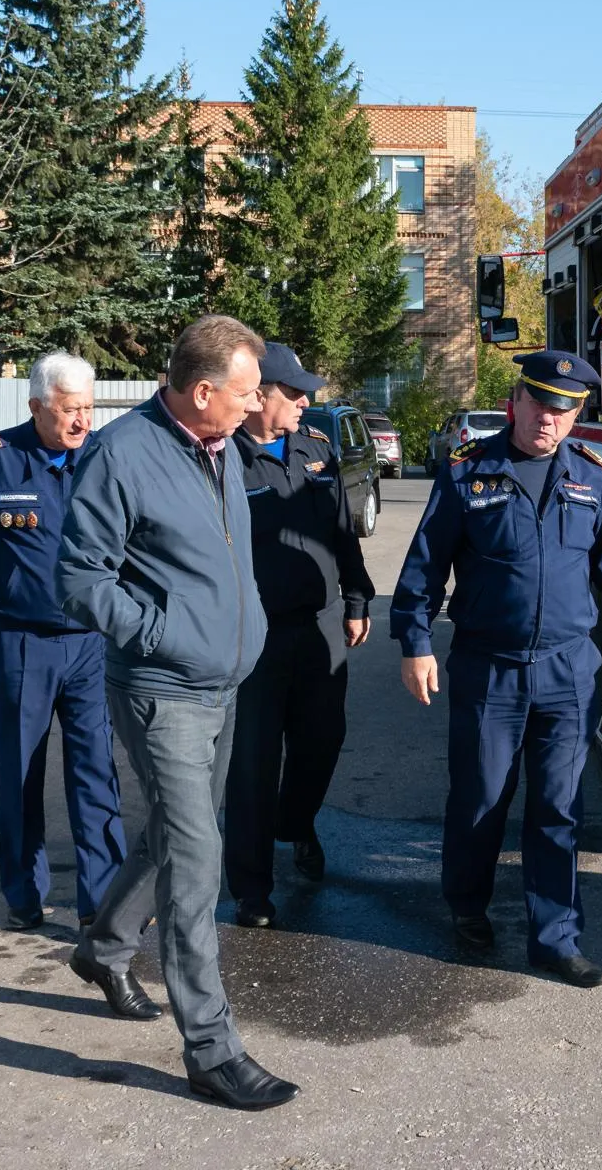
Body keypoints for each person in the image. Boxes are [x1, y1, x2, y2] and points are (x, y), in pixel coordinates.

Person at [58, 314, 297, 1111]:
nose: (255, 402)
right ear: (201, 392)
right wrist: (161, 636)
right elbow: (81, 578)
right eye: (243, 390)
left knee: (173, 835)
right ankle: (212, 1048)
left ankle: (105, 946)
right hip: (163, 691)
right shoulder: (122, 455)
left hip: (223, 684)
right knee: (198, 864)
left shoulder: (221, 445)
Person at [392, 349, 602, 989]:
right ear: (516, 401)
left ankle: (556, 939)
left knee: (557, 805)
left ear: (576, 416)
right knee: (481, 798)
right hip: (489, 667)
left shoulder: (593, 479)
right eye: (541, 403)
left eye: (565, 409)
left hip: (568, 672)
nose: (550, 419)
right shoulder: (468, 473)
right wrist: (414, 641)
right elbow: (423, 568)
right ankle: (468, 907)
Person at [0, 351, 125, 930]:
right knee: (21, 769)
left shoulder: (102, 457)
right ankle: (24, 894)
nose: (82, 422)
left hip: (90, 644)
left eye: (88, 409)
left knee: (96, 769)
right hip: (20, 642)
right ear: (36, 406)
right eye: (70, 410)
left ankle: (101, 902)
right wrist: (7, 596)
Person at [223, 343, 376, 927]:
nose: (306, 401)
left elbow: (343, 533)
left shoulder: (315, 448)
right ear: (258, 396)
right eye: (294, 392)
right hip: (253, 637)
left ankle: (297, 824)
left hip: (318, 627)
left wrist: (358, 597)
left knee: (322, 741)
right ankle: (251, 889)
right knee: (253, 764)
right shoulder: (223, 460)